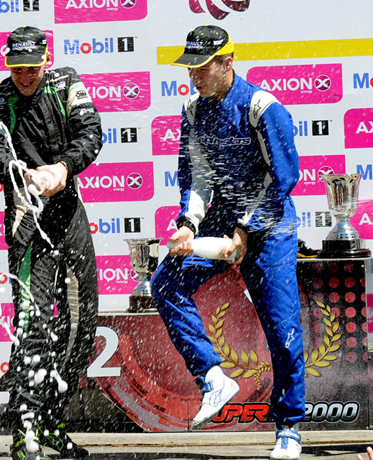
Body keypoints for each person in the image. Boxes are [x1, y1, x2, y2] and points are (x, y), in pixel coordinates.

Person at [150, 25, 305, 460]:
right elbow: (197, 176)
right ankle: (213, 378)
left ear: (227, 63)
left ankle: (289, 427)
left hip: (270, 223)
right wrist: (188, 224)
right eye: (190, 69)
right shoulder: (192, 109)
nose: (194, 77)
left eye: (202, 68)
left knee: (282, 330)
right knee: (165, 283)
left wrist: (246, 230)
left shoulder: (262, 107)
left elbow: (284, 178)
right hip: (220, 218)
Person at [0, 26, 102, 460]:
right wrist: (23, 174)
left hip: (69, 213)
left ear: (46, 59)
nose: (25, 77)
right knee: (33, 323)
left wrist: (63, 168)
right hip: (27, 218)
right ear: (7, 64)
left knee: (82, 323)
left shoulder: (66, 82)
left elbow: (91, 133)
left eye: (32, 68)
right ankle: (24, 430)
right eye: (17, 69)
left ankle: (51, 419)